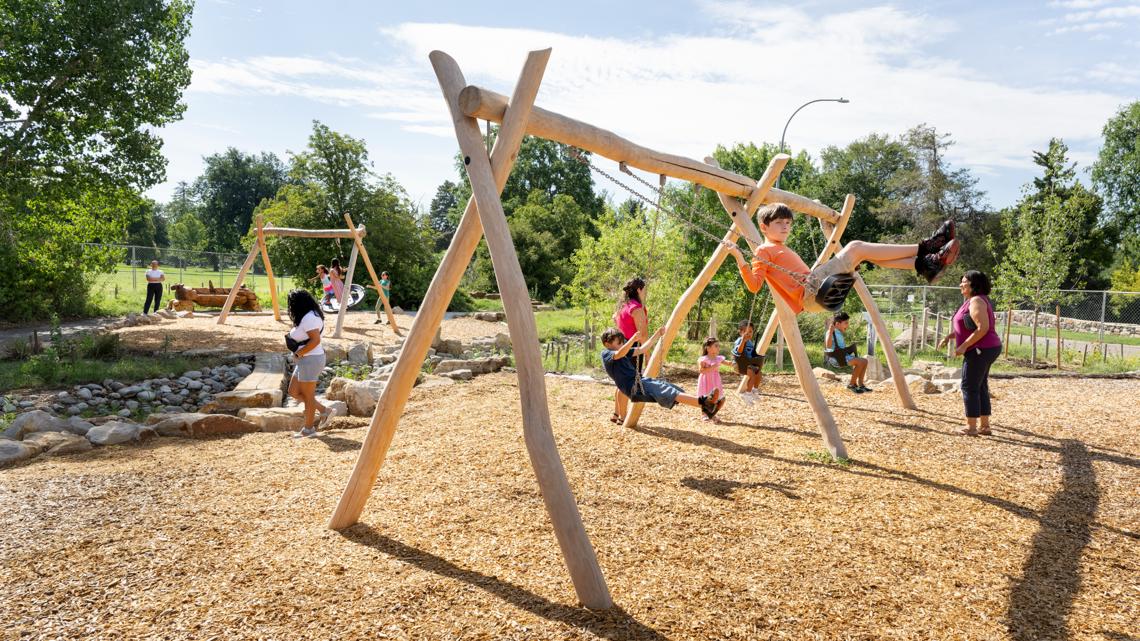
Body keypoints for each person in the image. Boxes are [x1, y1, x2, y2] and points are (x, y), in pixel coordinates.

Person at [727, 203, 960, 314]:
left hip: (814, 288)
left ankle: (926, 266)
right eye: (779, 223)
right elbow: (755, 286)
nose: (785, 227)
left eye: (788, 223)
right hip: (811, 290)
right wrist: (739, 256)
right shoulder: (763, 251)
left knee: (868, 255)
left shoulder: (780, 248)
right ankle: (927, 247)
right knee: (856, 247)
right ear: (764, 227)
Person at [601, 327, 724, 420]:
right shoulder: (607, 354)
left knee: (673, 389)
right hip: (634, 387)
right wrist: (632, 339)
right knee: (668, 391)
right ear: (607, 344)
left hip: (641, 382)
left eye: (623, 342)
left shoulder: (622, 350)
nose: (622, 345)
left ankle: (706, 407)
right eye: (619, 343)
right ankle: (705, 402)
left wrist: (657, 334)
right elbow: (619, 354)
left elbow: (643, 349)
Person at [938, 270, 1002, 436]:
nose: (961, 284)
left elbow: (983, 328)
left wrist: (963, 346)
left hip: (980, 349)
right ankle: (985, 426)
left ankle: (971, 427)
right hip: (985, 348)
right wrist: (949, 337)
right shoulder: (970, 301)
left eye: (964, 281)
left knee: (969, 386)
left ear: (974, 284)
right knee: (980, 385)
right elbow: (967, 326)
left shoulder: (976, 302)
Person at [286, 289, 332, 438]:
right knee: (293, 391)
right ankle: (324, 410)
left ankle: (309, 429)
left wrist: (299, 353)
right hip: (306, 360)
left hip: (310, 360)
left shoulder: (310, 318)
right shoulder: (308, 315)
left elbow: (315, 340)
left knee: (308, 395)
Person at [610, 277, 650, 424]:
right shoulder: (637, 308)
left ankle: (616, 413)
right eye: (644, 289)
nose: (645, 292)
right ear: (639, 290)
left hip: (620, 347)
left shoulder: (623, 306)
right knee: (627, 383)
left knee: (621, 383)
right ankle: (623, 416)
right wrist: (647, 354)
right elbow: (643, 334)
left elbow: (615, 319)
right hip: (632, 349)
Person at [825, 311, 870, 394]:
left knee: (865, 361)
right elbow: (828, 346)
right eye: (846, 323)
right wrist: (831, 332)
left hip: (842, 356)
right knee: (860, 362)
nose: (847, 325)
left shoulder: (839, 332)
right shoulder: (831, 332)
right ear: (838, 324)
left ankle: (860, 384)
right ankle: (851, 385)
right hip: (836, 358)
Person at [732, 320, 764, 404]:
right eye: (746, 332)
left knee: (759, 373)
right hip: (740, 364)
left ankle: (754, 391)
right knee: (752, 374)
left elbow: (751, 354)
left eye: (750, 331)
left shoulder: (750, 342)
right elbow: (738, 352)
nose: (749, 334)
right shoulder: (739, 340)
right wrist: (743, 340)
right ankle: (747, 394)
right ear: (741, 332)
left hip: (748, 363)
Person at [697, 337, 727, 422]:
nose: (718, 348)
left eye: (718, 346)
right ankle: (704, 414)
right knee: (705, 396)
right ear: (708, 348)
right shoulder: (703, 359)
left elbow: (727, 363)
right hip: (705, 380)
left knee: (715, 397)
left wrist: (735, 364)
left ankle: (712, 414)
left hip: (715, 380)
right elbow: (701, 370)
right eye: (716, 346)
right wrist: (713, 367)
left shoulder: (718, 358)